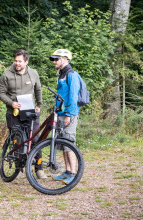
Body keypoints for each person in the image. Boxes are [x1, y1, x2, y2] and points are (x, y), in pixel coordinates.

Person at [0, 49, 47, 179]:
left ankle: (39, 168)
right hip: (13, 113)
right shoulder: (6, 75)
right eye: (15, 60)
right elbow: (1, 93)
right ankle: (18, 169)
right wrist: (11, 103)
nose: (17, 63)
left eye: (20, 61)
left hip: (30, 112)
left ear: (26, 61)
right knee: (17, 141)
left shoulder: (33, 73)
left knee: (36, 139)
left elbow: (38, 90)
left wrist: (39, 105)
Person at [49, 49, 81, 185]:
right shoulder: (62, 74)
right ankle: (67, 171)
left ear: (65, 59)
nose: (54, 62)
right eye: (54, 59)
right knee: (62, 144)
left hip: (69, 114)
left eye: (57, 59)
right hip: (60, 114)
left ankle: (73, 173)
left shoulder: (72, 74)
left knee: (69, 144)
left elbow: (73, 96)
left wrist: (68, 114)